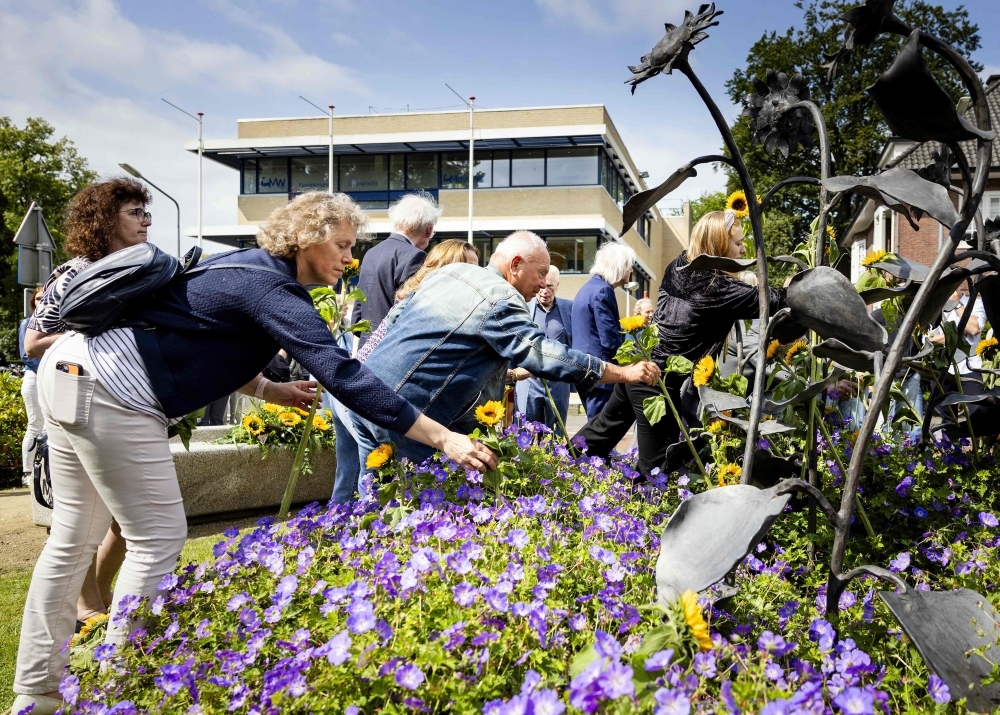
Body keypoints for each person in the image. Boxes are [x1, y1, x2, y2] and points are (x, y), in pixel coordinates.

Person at [11, 190, 496, 715]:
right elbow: (345, 374)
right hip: (114, 389)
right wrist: (443, 437)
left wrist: (271, 391)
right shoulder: (273, 287)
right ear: (309, 238)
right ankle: (119, 689)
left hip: (70, 369)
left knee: (72, 540)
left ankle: (35, 697)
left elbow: (203, 339)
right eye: (342, 245)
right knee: (157, 538)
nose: (350, 259)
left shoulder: (243, 268)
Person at [351, 230, 661, 471]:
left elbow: (393, 319)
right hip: (406, 413)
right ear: (515, 266)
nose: (543, 284)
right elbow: (541, 353)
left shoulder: (451, 273)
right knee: (426, 507)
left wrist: (354, 375)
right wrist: (623, 372)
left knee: (381, 505)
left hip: (366, 396)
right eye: (540, 273)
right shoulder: (501, 296)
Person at [576, 209, 787, 478]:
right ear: (720, 245)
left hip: (639, 366)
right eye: (737, 243)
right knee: (656, 471)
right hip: (657, 381)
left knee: (601, 432)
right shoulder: (716, 286)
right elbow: (774, 300)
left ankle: (556, 469)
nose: (743, 248)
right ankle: (645, 515)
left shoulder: (678, 265)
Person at [330, 239, 480, 503]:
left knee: (363, 484)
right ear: (447, 270)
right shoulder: (426, 308)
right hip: (369, 396)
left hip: (356, 389)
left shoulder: (412, 298)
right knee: (387, 486)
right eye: (469, 269)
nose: (477, 279)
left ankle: (352, 535)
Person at [352, 192, 441, 349]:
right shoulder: (416, 256)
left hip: (366, 350)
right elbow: (408, 314)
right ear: (428, 230)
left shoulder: (371, 253)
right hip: (391, 351)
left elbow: (358, 315)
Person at [572, 242, 638, 418]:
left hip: (584, 373)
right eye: (629, 265)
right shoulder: (603, 291)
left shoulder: (586, 289)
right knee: (601, 431)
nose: (631, 269)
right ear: (620, 265)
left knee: (595, 428)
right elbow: (610, 341)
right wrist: (634, 363)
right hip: (601, 375)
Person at [515, 265, 574, 432]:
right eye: (542, 286)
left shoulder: (569, 309)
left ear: (557, 286)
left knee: (555, 435)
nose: (545, 291)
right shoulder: (523, 308)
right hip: (528, 381)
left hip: (558, 382)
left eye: (550, 286)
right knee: (524, 434)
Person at [18, 287, 44, 486]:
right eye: (38, 299)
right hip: (35, 378)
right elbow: (26, 355)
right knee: (35, 424)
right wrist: (46, 370)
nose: (41, 302)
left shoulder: (55, 324)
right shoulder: (27, 323)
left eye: (45, 298)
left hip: (50, 378)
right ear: (33, 302)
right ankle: (27, 473)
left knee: (49, 426)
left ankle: (43, 471)